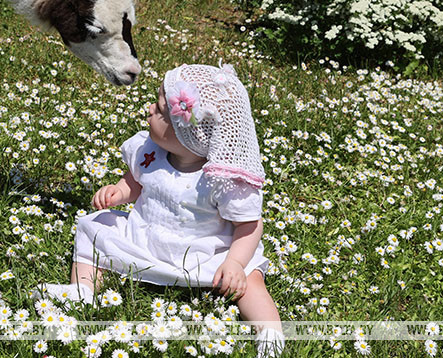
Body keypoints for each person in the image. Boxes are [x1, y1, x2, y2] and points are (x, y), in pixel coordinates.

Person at [38, 64, 285, 357]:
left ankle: (270, 334)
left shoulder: (221, 179)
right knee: (95, 227)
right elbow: (137, 181)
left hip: (205, 255)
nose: (149, 109)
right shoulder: (150, 151)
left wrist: (233, 263)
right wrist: (119, 191)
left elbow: (249, 225)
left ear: (186, 135)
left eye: (159, 110)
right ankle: (83, 290)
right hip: (143, 241)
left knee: (249, 276)